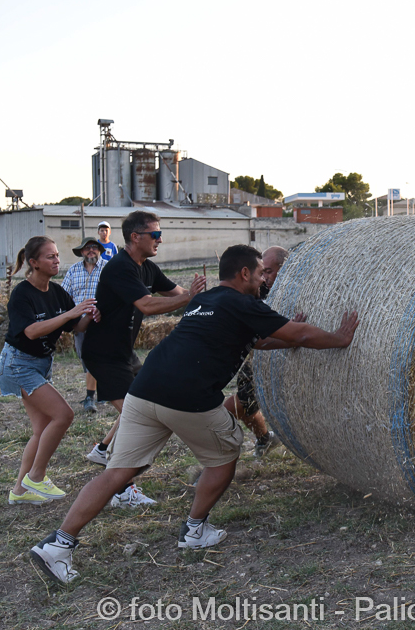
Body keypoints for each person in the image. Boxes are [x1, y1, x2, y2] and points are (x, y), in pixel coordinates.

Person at [30, 244, 359, 584]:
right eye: (261, 273)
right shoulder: (244, 304)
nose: (264, 280)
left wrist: (290, 338)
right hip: (186, 395)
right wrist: (339, 338)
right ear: (244, 273)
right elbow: (299, 331)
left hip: (144, 389)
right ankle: (195, 530)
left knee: (116, 474)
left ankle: (57, 544)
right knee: (226, 454)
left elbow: (259, 341)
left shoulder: (205, 300)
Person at [82, 210, 206, 508]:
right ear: (135, 237)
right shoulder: (120, 268)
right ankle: (121, 489)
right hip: (104, 354)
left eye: (160, 234)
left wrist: (206, 299)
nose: (160, 240)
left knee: (141, 404)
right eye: (155, 234)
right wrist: (188, 297)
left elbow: (177, 293)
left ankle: (103, 450)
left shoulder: (148, 268)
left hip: (124, 353)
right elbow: (148, 305)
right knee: (136, 416)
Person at [0, 237, 99, 505]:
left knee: (42, 428)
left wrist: (90, 313)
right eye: (50, 257)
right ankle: (36, 476)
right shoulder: (22, 294)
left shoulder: (56, 292)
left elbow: (76, 326)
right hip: (18, 364)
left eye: (56, 255)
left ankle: (20, 491)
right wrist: (69, 314)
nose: (57, 260)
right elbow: (31, 331)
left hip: (41, 363)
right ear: (34, 263)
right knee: (64, 415)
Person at [223, 246, 292, 458]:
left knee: (236, 405)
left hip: (284, 355)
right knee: (243, 400)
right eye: (263, 272)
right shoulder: (258, 291)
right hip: (262, 355)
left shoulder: (296, 291)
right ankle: (264, 439)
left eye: (269, 271)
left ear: (285, 267)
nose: (264, 277)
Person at [60, 237, 107, 413]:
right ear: (81, 252)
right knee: (84, 358)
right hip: (80, 323)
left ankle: (90, 397)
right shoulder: (73, 270)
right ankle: (100, 392)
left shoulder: (108, 269)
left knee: (95, 358)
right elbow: (64, 296)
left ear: (100, 250)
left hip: (102, 321)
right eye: (87, 248)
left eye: (94, 247)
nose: (91, 250)